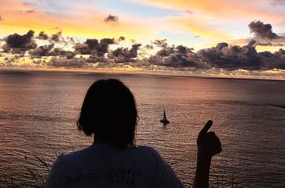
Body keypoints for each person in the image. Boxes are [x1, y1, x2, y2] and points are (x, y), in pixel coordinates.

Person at [46, 79, 222, 188]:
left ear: (87, 116)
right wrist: (204, 156)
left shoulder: (65, 168)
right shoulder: (147, 161)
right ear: (131, 118)